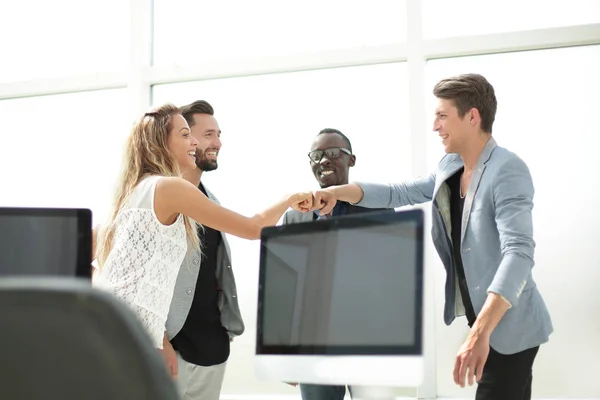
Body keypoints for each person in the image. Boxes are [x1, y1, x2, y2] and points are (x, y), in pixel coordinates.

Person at [311, 74, 553, 400]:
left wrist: (481, 331)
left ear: (472, 116)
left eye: (442, 116)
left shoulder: (507, 170)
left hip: (511, 327)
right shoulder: (450, 165)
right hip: (484, 323)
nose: (435, 126)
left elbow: (519, 253)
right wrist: (338, 193)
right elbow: (400, 192)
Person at [92, 103, 312, 374]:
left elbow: (87, 257)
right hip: (127, 338)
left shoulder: (132, 193)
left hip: (111, 329)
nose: (194, 142)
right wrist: (288, 200)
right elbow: (254, 228)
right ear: (161, 142)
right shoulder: (170, 188)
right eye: (185, 135)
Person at [282, 128, 392, 400]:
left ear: (351, 160)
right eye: (316, 156)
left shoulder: (380, 211)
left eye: (333, 153)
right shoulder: (294, 218)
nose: (323, 161)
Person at [158, 100, 243, 400]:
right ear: (186, 139)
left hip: (212, 352)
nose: (217, 142)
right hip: (170, 354)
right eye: (208, 134)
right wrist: (160, 341)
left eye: (218, 134)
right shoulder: (158, 198)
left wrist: (224, 334)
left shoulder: (212, 203)